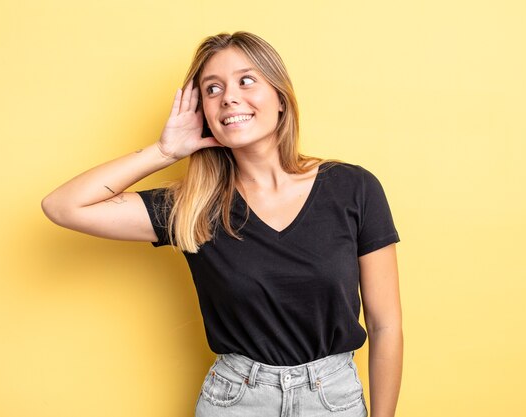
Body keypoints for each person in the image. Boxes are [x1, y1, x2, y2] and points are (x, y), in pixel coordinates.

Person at [42, 31, 402, 417]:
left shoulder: (353, 187)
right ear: (204, 114)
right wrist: (164, 152)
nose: (229, 96)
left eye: (246, 80)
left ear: (280, 98)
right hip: (237, 401)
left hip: (334, 399)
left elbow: (386, 327)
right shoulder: (193, 207)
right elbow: (62, 206)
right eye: (213, 89)